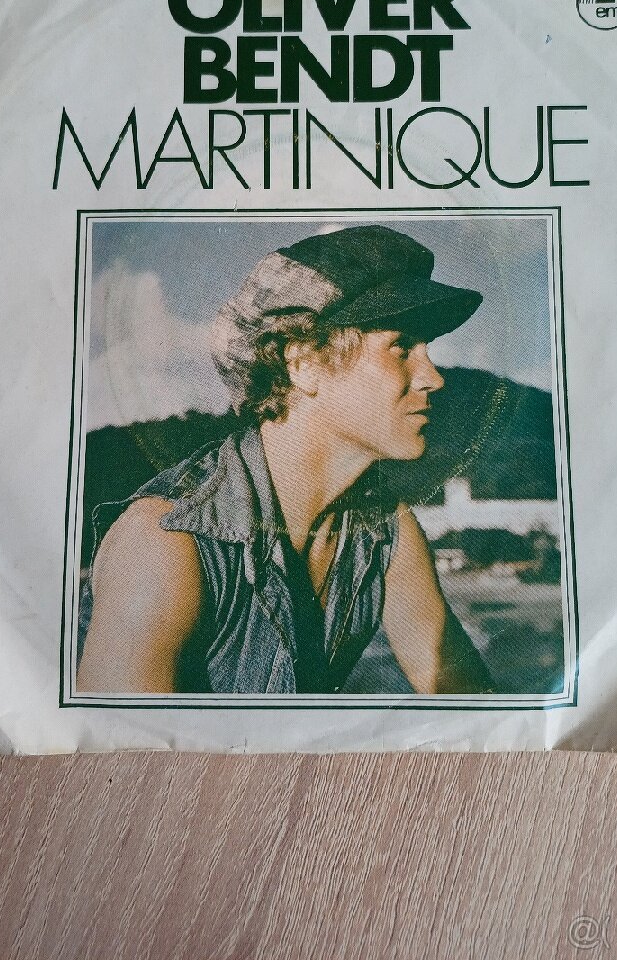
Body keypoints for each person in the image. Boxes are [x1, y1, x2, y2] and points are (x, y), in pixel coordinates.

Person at [77, 224, 494, 695]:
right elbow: (121, 740)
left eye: (427, 350)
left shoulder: (384, 535)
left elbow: (470, 704)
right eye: (401, 347)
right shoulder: (167, 543)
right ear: (303, 364)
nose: (433, 378)